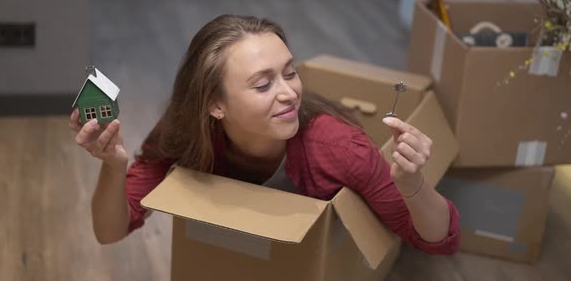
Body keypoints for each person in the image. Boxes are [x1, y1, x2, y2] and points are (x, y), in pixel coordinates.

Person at [69, 14, 460, 254]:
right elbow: (109, 233)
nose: (289, 92)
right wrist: (113, 167)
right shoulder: (184, 132)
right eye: (262, 85)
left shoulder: (339, 148)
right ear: (214, 105)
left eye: (290, 72)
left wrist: (412, 184)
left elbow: (435, 240)